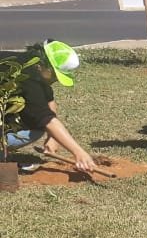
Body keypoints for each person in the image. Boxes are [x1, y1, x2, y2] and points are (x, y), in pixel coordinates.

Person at [0, 40, 97, 173]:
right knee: (37, 126)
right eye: (55, 75)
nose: (56, 80)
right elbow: (45, 118)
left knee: (36, 126)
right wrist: (79, 153)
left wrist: (52, 137)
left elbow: (49, 101)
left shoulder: (30, 65)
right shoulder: (27, 78)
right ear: (42, 66)